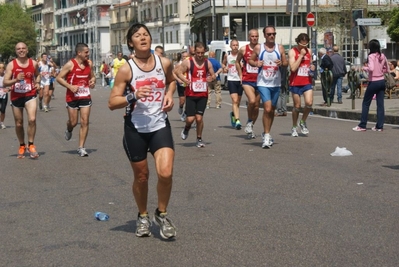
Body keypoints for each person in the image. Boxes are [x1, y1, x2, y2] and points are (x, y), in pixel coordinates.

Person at [108, 23, 177, 239]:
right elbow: (112, 102)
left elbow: (172, 80)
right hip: (135, 129)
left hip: (159, 125)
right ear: (131, 42)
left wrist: (169, 94)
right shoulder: (127, 69)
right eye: (138, 36)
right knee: (142, 177)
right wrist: (133, 96)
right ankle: (143, 215)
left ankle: (162, 214)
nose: (143, 38)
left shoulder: (163, 62)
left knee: (165, 173)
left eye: (146, 34)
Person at [248, 25, 288, 148]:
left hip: (275, 83)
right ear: (265, 35)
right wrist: (256, 63)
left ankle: (267, 132)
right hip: (263, 83)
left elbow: (286, 63)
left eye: (273, 34)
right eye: (269, 34)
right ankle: (266, 136)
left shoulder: (279, 47)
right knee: (268, 108)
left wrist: (282, 63)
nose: (272, 36)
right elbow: (250, 60)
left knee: (272, 111)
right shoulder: (259, 48)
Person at [56, 43, 96, 157]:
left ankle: (81, 147)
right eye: (86, 52)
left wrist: (92, 81)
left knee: (84, 121)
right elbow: (59, 78)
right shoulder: (70, 64)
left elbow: (92, 76)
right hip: (72, 97)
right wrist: (70, 86)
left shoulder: (89, 64)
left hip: (85, 96)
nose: (88, 54)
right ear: (79, 53)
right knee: (73, 122)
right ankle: (69, 129)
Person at [3, 42, 41, 158]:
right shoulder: (11, 65)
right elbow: (5, 82)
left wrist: (38, 83)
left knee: (32, 119)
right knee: (19, 124)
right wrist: (15, 80)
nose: (21, 50)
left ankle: (31, 144)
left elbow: (38, 75)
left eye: (23, 48)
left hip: (30, 94)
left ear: (27, 50)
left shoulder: (33, 63)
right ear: (16, 51)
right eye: (18, 49)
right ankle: (21, 145)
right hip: (16, 96)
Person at [175, 41, 215, 147]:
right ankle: (186, 128)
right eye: (198, 53)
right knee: (190, 119)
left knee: (199, 118)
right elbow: (177, 72)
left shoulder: (208, 63)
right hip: (191, 94)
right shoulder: (188, 62)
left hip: (203, 94)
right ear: (194, 52)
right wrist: (185, 79)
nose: (200, 55)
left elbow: (213, 75)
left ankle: (199, 139)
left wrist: (211, 78)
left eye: (202, 53)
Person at [352, 39, 388, 132]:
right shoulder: (382, 55)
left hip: (374, 81)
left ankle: (362, 125)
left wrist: (364, 67)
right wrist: (380, 70)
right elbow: (386, 68)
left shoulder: (371, 56)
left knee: (366, 103)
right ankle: (379, 126)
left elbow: (371, 68)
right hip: (381, 81)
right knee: (380, 104)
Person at [288, 33, 315, 137]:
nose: (304, 47)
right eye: (301, 45)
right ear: (298, 42)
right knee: (297, 106)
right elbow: (293, 68)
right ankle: (294, 126)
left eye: (305, 45)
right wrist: (301, 55)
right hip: (295, 82)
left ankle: (302, 121)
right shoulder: (292, 52)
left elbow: (310, 64)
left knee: (309, 103)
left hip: (306, 81)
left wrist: (312, 67)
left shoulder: (310, 51)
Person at [236, 29, 261, 138]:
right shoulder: (243, 49)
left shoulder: (262, 49)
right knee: (252, 101)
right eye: (252, 36)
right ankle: (250, 122)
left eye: (256, 36)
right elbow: (237, 62)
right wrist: (240, 75)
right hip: (247, 80)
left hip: (260, 80)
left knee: (256, 106)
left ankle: (250, 124)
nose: (254, 38)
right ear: (249, 37)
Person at [223, 39, 242, 129]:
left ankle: (233, 115)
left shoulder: (241, 56)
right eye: (233, 45)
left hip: (240, 80)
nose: (235, 47)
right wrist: (225, 68)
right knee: (234, 100)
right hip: (231, 80)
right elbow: (223, 64)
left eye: (236, 45)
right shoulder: (228, 56)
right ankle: (237, 120)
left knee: (237, 102)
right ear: (230, 46)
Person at [173, 51, 188, 121]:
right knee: (182, 101)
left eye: (186, 56)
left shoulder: (190, 63)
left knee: (189, 101)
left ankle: (185, 113)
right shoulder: (178, 64)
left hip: (188, 84)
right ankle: (181, 106)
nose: (185, 58)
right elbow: (173, 73)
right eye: (183, 56)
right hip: (181, 84)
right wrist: (178, 80)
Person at [0, 62, 10, 129]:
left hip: (4, 94)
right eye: (0, 68)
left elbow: (11, 84)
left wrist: (8, 89)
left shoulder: (7, 76)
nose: (1, 69)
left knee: (3, 109)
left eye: (2, 68)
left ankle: (2, 122)